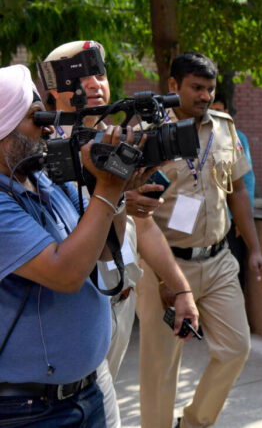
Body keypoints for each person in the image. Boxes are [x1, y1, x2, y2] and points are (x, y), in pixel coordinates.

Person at [44, 40, 200, 428]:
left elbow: (144, 226)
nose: (93, 83)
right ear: (52, 91)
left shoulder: (123, 136)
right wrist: (112, 197)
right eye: (78, 75)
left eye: (99, 73)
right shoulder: (44, 151)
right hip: (77, 308)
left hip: (121, 299)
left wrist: (179, 287)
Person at [135, 51, 262, 428]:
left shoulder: (224, 128)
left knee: (236, 348)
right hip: (165, 263)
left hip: (218, 258)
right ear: (173, 85)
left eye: (210, 89)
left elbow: (238, 190)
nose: (205, 96)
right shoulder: (147, 134)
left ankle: (193, 423)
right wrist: (163, 277)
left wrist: (255, 250)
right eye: (196, 87)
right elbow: (134, 209)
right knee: (160, 368)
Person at [0, 64, 136, 426]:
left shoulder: (43, 181)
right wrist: (107, 187)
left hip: (86, 392)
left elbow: (106, 250)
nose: (47, 125)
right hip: (30, 411)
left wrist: (116, 188)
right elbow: (66, 273)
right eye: (34, 116)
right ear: (4, 131)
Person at [211, 94, 255, 291]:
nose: (215, 116)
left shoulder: (236, 137)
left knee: (235, 273)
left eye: (219, 111)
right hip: (204, 223)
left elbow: (246, 181)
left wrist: (244, 217)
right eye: (211, 111)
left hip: (230, 220)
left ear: (226, 112)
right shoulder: (193, 135)